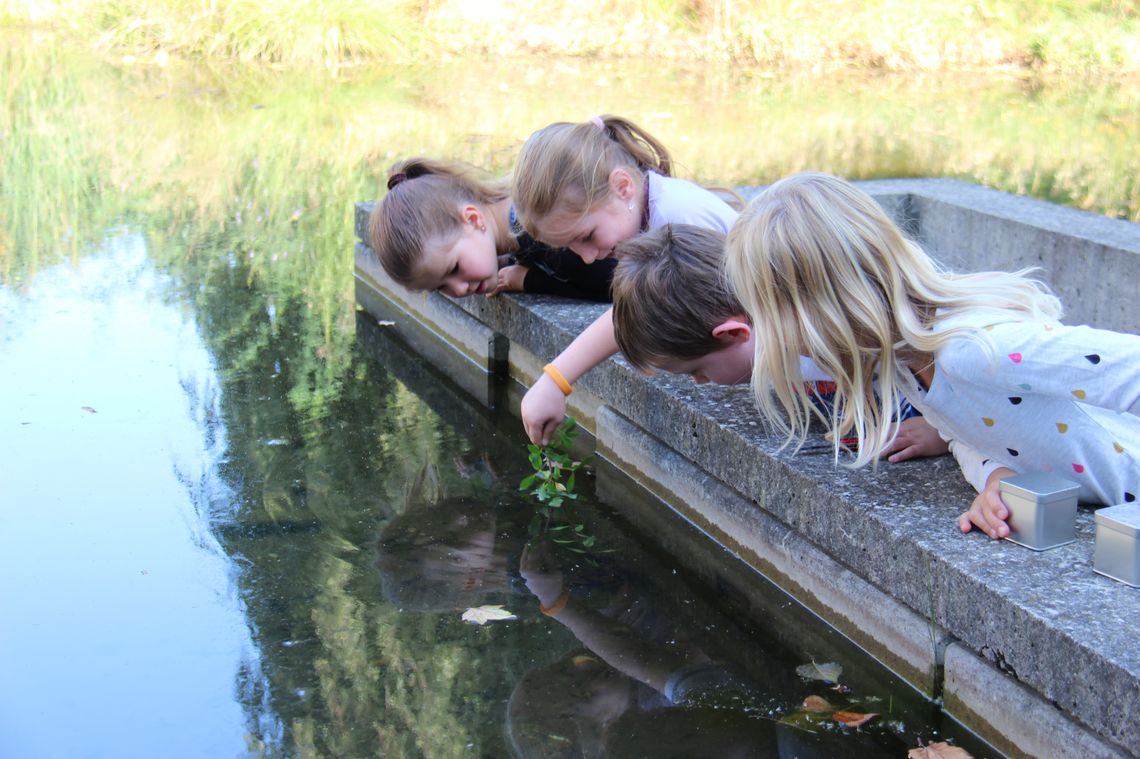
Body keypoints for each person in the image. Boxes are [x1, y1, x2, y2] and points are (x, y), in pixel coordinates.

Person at [723, 172, 1140, 539]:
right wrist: (996, 475)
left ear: (821, 310)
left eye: (770, 318)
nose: (774, 341)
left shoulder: (976, 351)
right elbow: (967, 432)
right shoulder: (907, 366)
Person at [610, 224, 949, 462]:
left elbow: (945, 375)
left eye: (696, 369)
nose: (699, 381)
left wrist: (943, 433)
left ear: (733, 333)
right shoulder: (773, 343)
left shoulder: (831, 334)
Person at [511, 115, 739, 445]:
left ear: (622, 187)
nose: (588, 257)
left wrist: (557, 380)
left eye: (587, 236)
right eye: (571, 249)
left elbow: (627, 317)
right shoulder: (648, 214)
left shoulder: (679, 219)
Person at [367, 157, 616, 302]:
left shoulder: (534, 228)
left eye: (454, 268)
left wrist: (526, 279)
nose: (459, 289)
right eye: (441, 287)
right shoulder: (513, 218)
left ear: (473, 219)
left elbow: (609, 283)